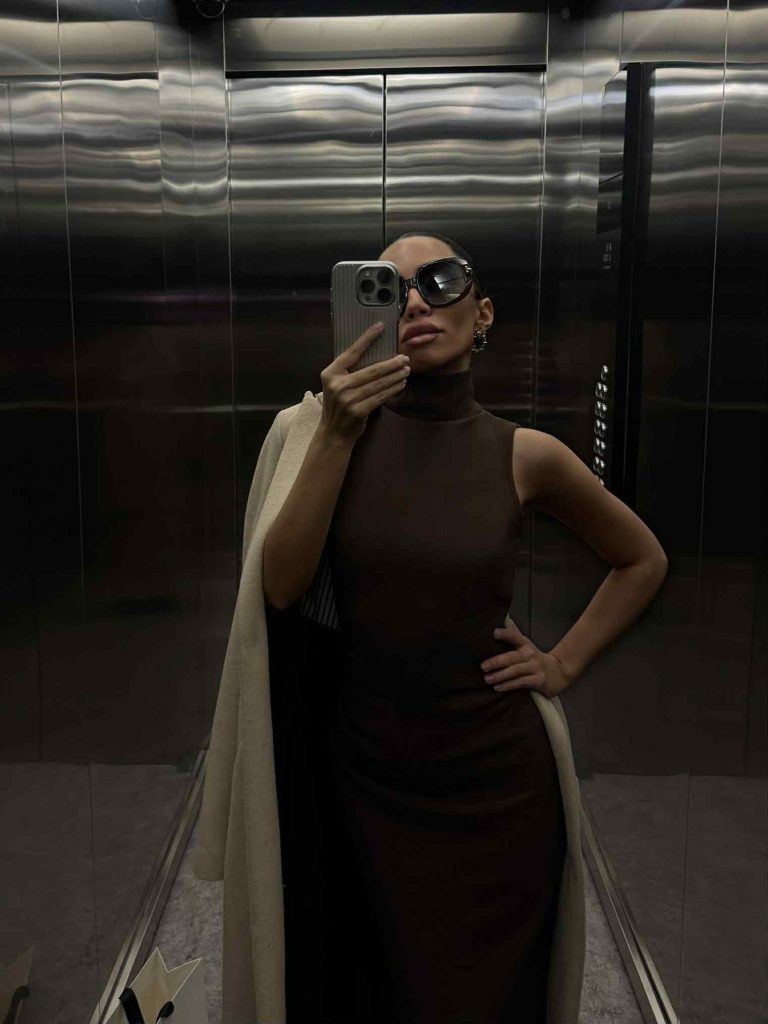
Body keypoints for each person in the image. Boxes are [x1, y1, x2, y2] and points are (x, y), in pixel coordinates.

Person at [262, 230, 669, 1022]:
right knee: (376, 990)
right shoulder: (326, 437)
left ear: (482, 314)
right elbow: (281, 585)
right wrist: (338, 432)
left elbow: (641, 559)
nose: (417, 301)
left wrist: (561, 664)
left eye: (441, 281)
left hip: (497, 791)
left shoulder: (525, 454)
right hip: (368, 780)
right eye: (392, 288)